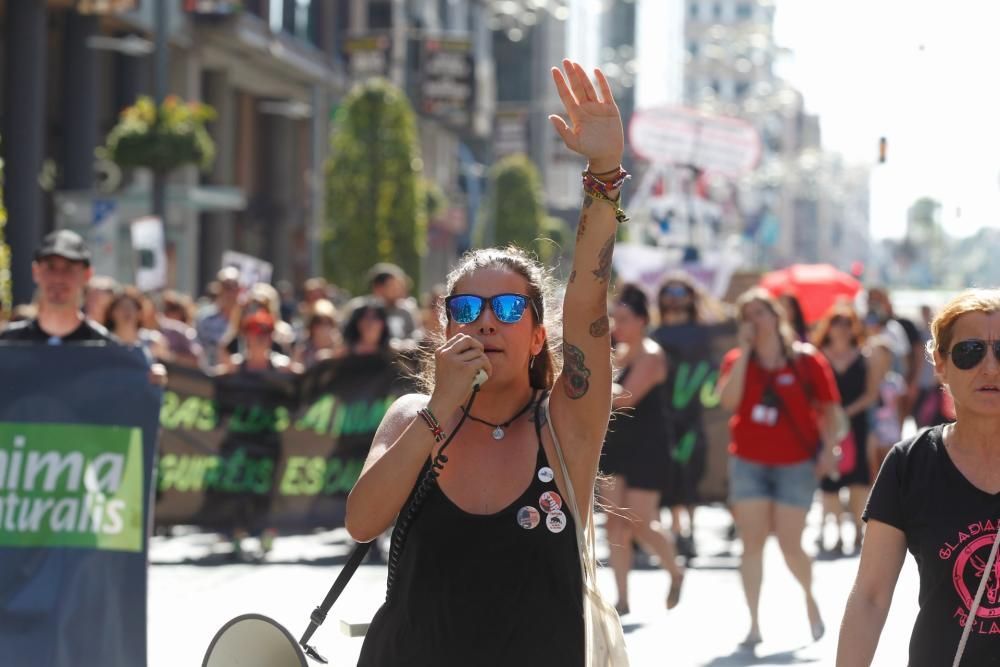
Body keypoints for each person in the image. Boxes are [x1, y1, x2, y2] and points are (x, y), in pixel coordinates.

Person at [346, 59, 624, 666]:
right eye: (467, 306)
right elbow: (363, 521)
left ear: (535, 337)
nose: (486, 320)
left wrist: (603, 174)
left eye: (506, 306)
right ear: (446, 326)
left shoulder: (565, 425)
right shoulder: (411, 416)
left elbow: (587, 297)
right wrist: (442, 409)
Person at [837, 289, 1000, 666]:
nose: (990, 367)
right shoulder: (910, 463)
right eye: (971, 351)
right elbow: (870, 596)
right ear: (939, 364)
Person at [717, 287, 844, 647]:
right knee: (752, 543)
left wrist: (829, 450)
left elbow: (829, 409)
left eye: (759, 312)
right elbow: (728, 401)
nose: (754, 321)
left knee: (790, 544)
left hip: (795, 464)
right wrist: (744, 355)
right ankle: (754, 624)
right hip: (749, 462)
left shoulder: (806, 359)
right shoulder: (736, 359)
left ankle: (809, 597)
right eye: (746, 315)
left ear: (776, 316)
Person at [602, 284, 684, 615]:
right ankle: (622, 599)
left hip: (647, 446)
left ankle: (675, 570)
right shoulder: (615, 355)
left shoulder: (651, 354)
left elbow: (626, 398)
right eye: (613, 318)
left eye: (622, 319)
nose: (615, 326)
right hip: (615, 444)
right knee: (613, 522)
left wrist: (591, 386)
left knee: (639, 520)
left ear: (641, 320)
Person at [652, 272, 720, 559]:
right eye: (669, 292)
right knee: (668, 473)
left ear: (691, 298)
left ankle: (688, 530)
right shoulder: (652, 335)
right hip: (661, 415)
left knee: (691, 471)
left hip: (694, 417)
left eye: (681, 293)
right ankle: (676, 530)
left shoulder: (705, 333)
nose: (674, 299)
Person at [812, 305, 879, 554]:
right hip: (825, 427)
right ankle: (838, 531)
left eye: (846, 323)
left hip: (857, 425)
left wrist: (846, 413)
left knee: (859, 482)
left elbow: (871, 394)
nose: (841, 328)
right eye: (836, 322)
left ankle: (859, 534)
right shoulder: (818, 356)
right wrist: (831, 416)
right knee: (829, 482)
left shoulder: (865, 356)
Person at [1, 231, 115, 344]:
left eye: (69, 268)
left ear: (87, 275)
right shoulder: (7, 344)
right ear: (35, 271)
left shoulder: (106, 348)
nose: (58, 278)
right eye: (51, 267)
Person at [367, 262, 423, 345]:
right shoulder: (366, 312)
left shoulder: (406, 312)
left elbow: (415, 336)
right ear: (379, 288)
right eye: (393, 286)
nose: (398, 289)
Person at [196, 267, 241, 367]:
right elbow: (201, 346)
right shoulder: (205, 317)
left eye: (235, 286)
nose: (231, 291)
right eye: (227, 286)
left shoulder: (246, 316)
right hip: (212, 373)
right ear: (219, 288)